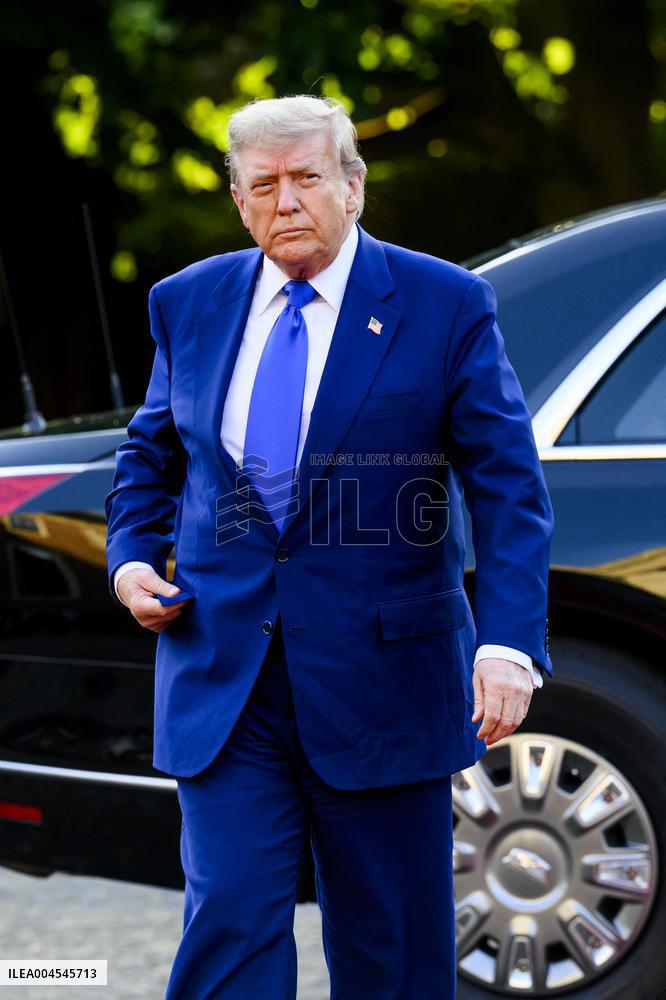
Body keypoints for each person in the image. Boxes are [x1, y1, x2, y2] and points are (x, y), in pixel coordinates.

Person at [105, 94, 553, 999]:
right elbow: (149, 454)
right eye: (263, 184)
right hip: (225, 678)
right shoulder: (185, 303)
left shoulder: (444, 303)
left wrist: (508, 645)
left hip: (385, 682)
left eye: (308, 177)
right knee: (228, 920)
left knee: (394, 950)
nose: (287, 201)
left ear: (353, 186)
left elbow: (507, 485)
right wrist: (130, 557)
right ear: (239, 201)